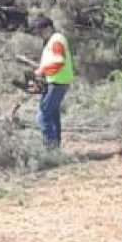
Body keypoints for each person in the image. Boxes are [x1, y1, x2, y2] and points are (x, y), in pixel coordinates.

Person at [30, 16, 75, 149]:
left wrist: (41, 71)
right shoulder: (51, 41)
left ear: (48, 28)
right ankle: (55, 148)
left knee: (43, 116)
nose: (39, 35)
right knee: (53, 116)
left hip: (58, 83)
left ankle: (50, 149)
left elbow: (58, 62)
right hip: (54, 82)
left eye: (40, 32)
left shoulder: (56, 41)